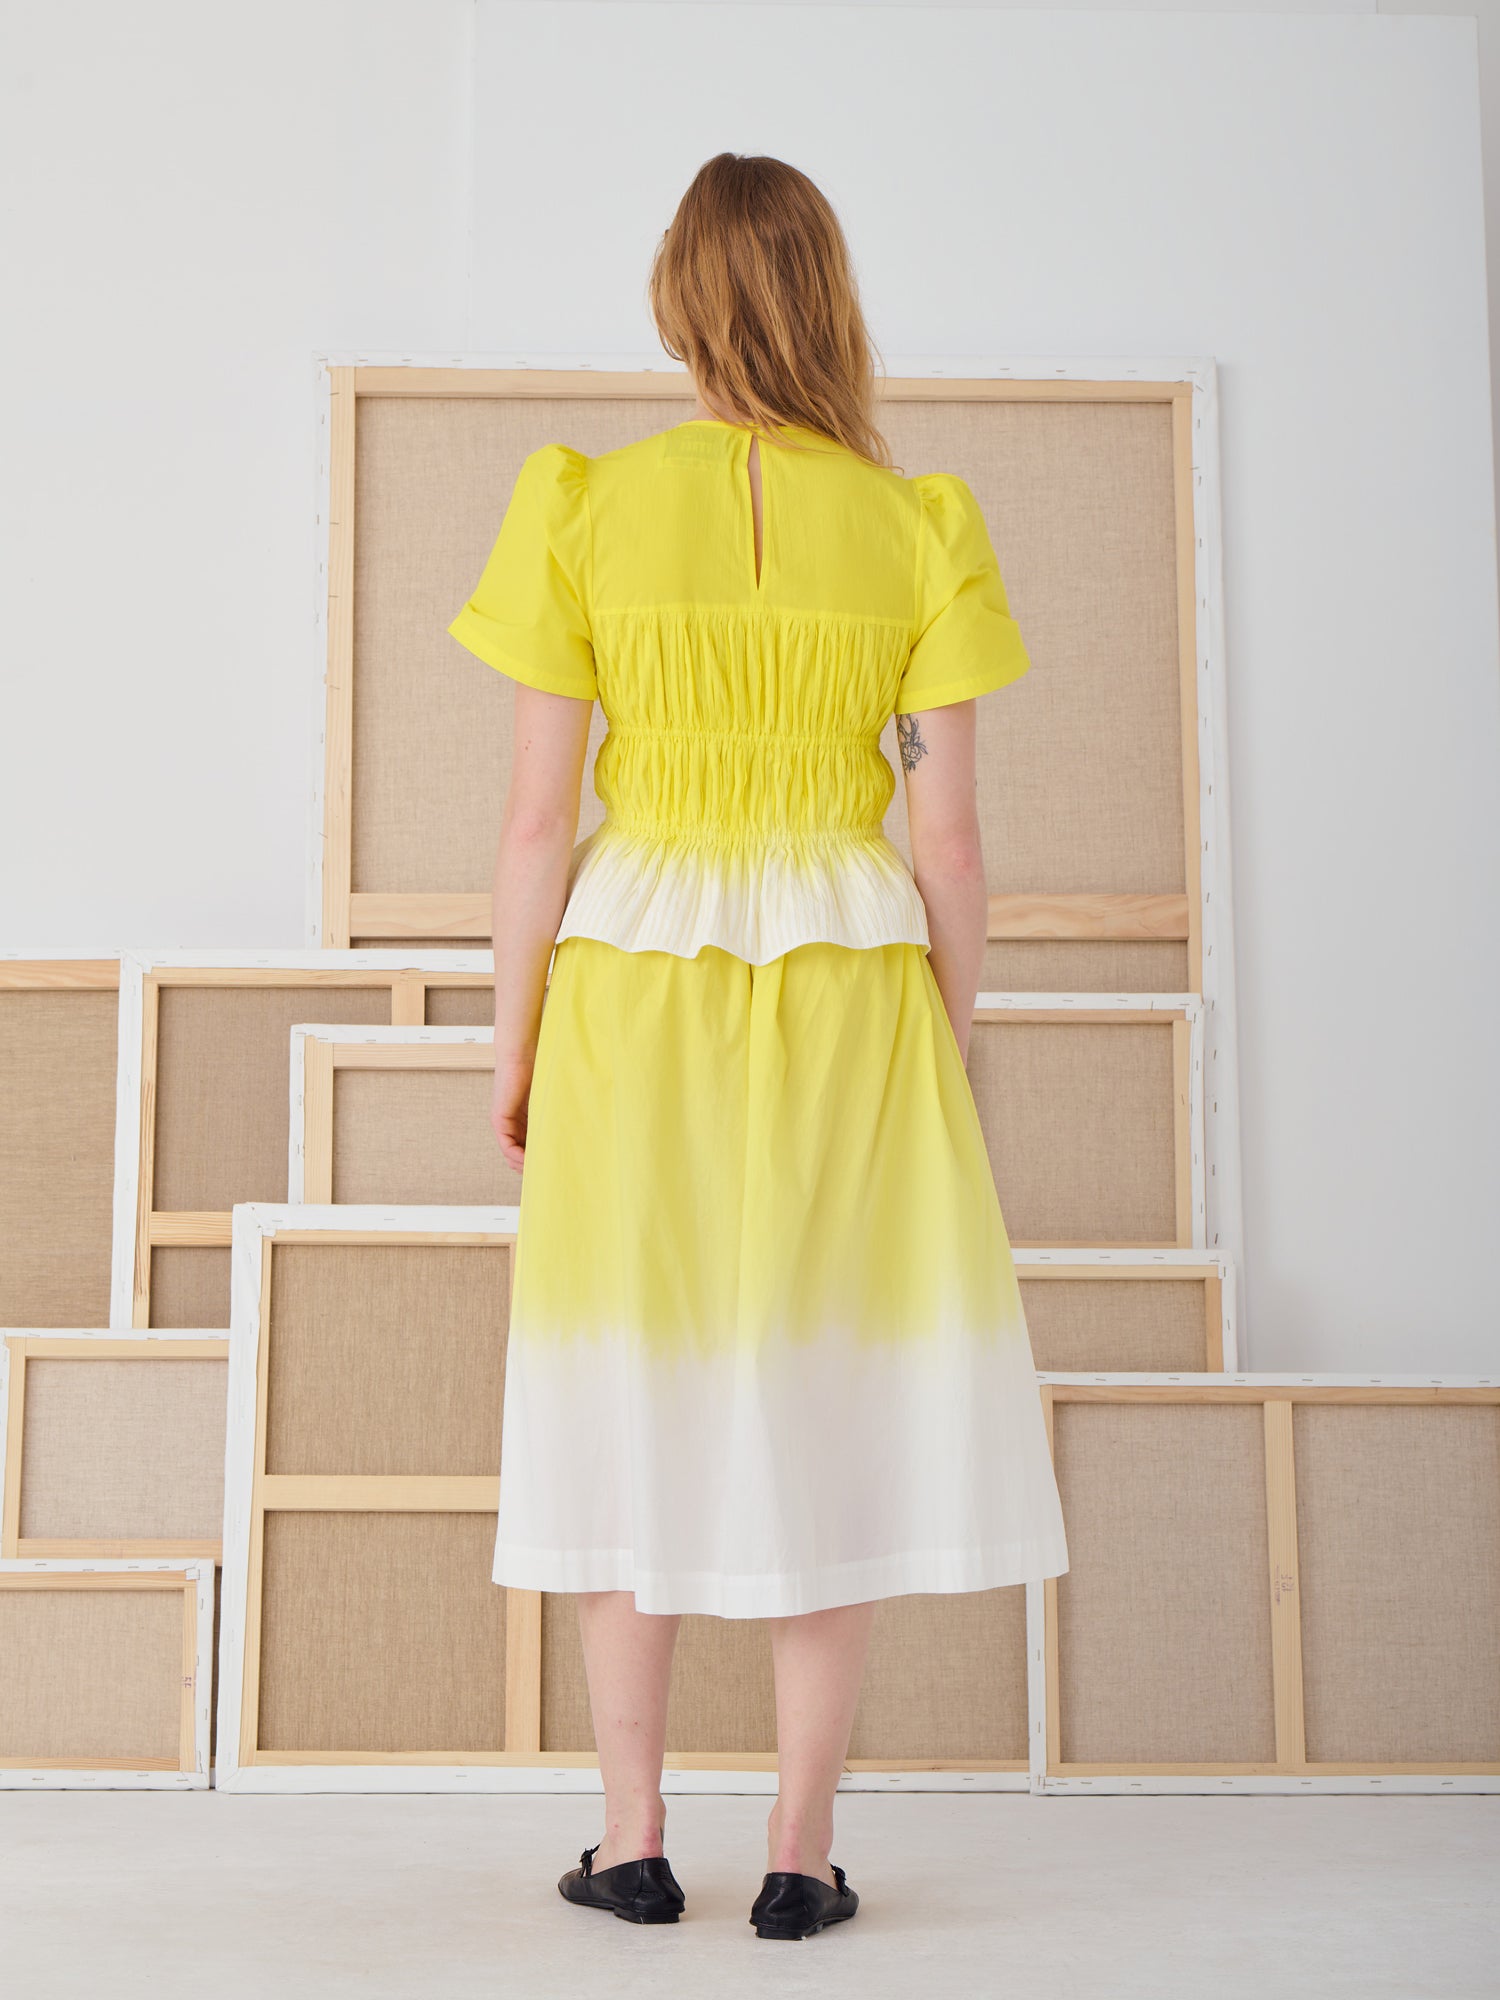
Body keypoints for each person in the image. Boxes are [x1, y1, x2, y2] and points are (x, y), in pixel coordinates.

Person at [446, 151, 1069, 1942]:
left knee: (620, 1385)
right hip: (850, 978)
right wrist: (945, 1040)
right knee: (827, 1392)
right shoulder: (920, 526)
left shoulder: (582, 506)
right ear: (828, 298)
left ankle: (633, 1840)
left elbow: (534, 823)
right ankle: (800, 1856)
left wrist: (514, 1042)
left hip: (630, 977)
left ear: (677, 301)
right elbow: (950, 842)